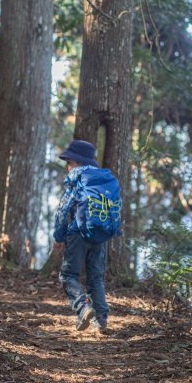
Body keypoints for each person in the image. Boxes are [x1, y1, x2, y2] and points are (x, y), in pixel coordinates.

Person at [53, 139, 120, 333]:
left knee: (68, 275)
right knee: (95, 278)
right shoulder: (106, 179)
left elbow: (63, 210)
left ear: (77, 162)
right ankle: (101, 320)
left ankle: (83, 307)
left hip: (78, 233)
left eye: (69, 162)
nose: (68, 166)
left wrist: (59, 236)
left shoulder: (77, 177)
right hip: (101, 234)